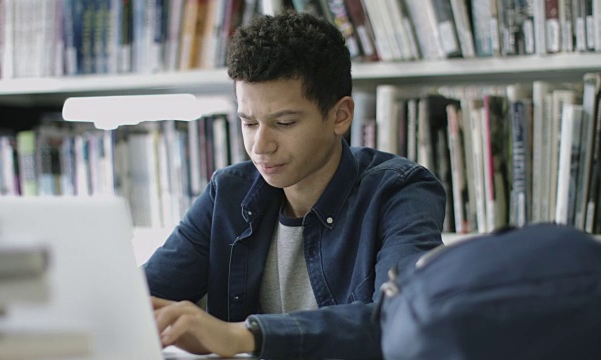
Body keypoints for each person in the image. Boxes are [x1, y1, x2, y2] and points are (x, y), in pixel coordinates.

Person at [143, 11, 445, 359]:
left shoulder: (400, 191)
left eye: (284, 123)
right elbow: (142, 298)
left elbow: (400, 317)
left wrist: (244, 336)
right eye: (248, 122)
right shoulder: (228, 194)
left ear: (340, 115)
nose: (260, 146)